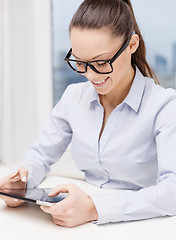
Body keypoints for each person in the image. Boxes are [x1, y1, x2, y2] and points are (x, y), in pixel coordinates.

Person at [1, 0, 176, 228]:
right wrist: (21, 184)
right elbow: (41, 155)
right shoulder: (74, 97)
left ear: (132, 44)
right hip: (81, 224)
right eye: (81, 62)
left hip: (145, 224)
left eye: (102, 63)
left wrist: (95, 208)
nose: (91, 76)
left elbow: (172, 191)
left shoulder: (164, 106)